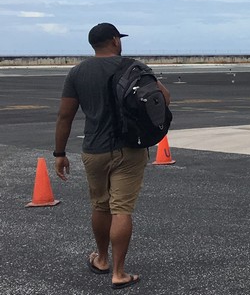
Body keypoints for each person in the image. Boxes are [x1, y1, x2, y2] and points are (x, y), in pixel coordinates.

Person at [53, 23, 171, 290]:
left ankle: (102, 259)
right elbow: (164, 98)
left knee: (100, 205)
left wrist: (59, 153)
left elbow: (64, 116)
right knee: (122, 209)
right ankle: (119, 273)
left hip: (94, 149)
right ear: (115, 41)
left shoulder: (77, 72)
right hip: (130, 148)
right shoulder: (134, 67)